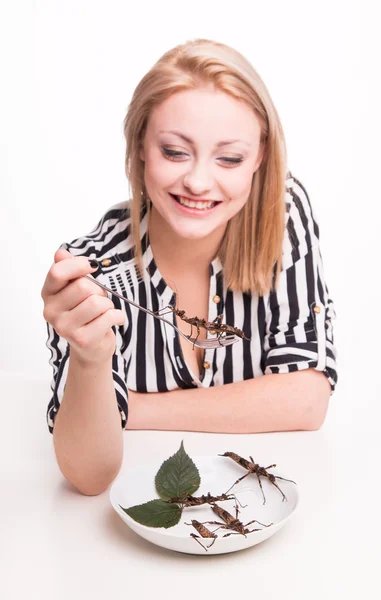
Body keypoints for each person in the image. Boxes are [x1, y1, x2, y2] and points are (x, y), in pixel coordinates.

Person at [41, 38, 338, 495]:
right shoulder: (93, 272)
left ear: (259, 157)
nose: (198, 181)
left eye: (230, 158)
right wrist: (90, 360)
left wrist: (132, 410)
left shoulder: (283, 215)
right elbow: (88, 477)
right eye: (175, 151)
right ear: (140, 145)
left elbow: (309, 400)